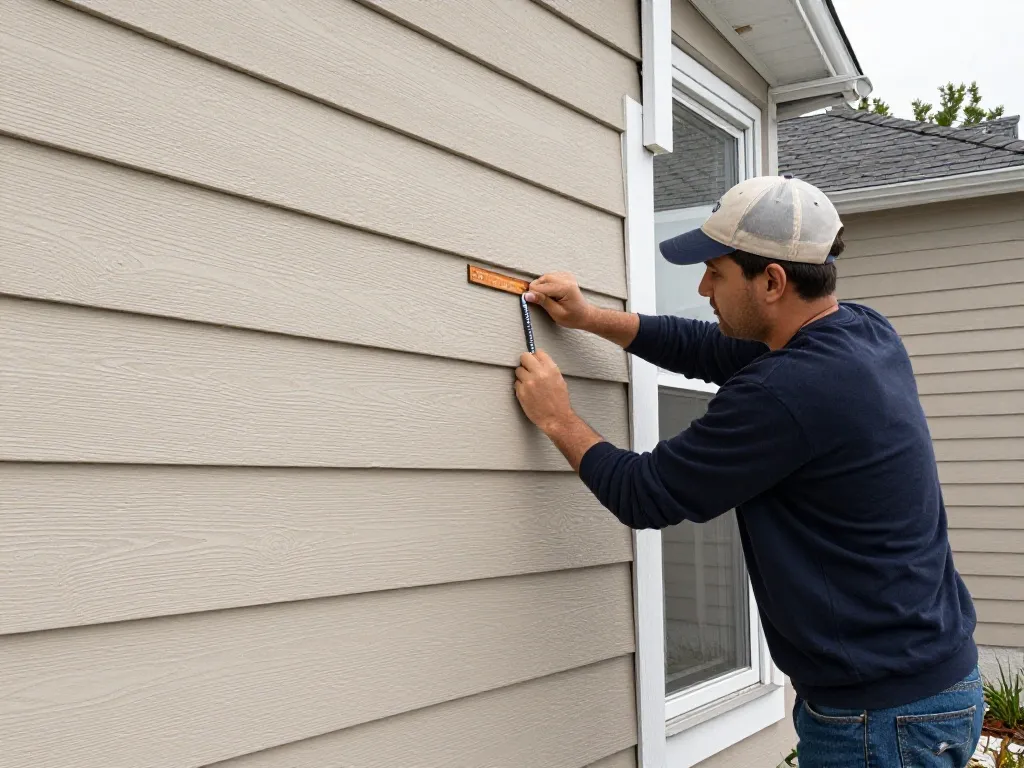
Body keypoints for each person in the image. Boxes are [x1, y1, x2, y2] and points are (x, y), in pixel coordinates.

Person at [513, 174, 982, 768]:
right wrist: (589, 318)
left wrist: (559, 420)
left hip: (881, 717)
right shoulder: (862, 332)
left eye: (716, 271)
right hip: (930, 684)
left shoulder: (789, 390)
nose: (703, 285)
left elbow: (645, 494)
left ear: (773, 281)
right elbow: (710, 350)